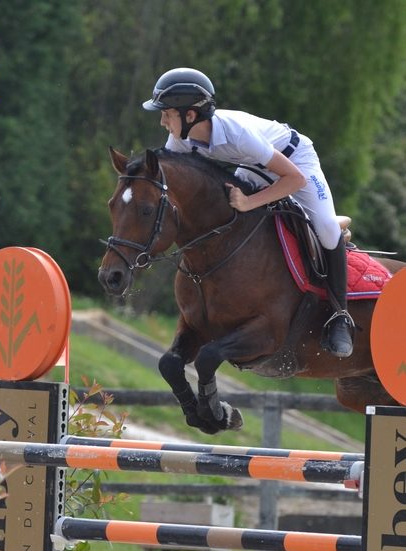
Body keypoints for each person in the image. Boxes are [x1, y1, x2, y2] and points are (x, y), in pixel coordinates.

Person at [142, 68, 354, 358]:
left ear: (190, 115)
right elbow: (164, 172)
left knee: (327, 228)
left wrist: (250, 203)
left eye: (166, 113)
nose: (162, 121)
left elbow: (294, 180)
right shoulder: (181, 139)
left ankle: (340, 315)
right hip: (254, 166)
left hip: (296, 162)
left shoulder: (237, 134)